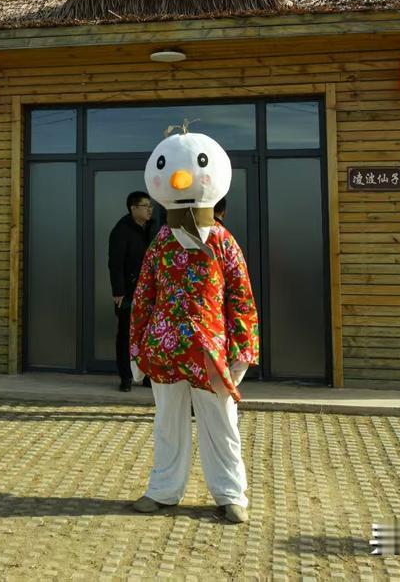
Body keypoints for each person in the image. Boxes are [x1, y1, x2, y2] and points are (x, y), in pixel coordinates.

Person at [131, 128, 259, 525]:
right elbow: (144, 295)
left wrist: (242, 350)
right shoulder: (160, 242)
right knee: (167, 423)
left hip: (210, 350)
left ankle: (230, 493)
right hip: (165, 348)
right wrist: (137, 347)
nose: (180, 178)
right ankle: (163, 489)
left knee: (221, 424)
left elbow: (241, 298)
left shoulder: (223, 241)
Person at [108, 191, 158, 392]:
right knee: (126, 335)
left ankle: (147, 376)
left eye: (150, 206)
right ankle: (126, 377)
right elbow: (115, 264)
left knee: (150, 334)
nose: (149, 210)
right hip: (129, 292)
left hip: (152, 291)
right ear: (133, 208)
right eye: (145, 206)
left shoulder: (153, 227)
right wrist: (118, 292)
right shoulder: (121, 230)